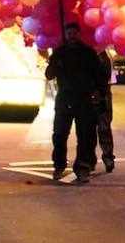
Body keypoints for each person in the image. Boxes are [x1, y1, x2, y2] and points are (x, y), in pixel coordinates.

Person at [45, 22, 106, 183]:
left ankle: (82, 168)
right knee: (59, 134)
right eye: (69, 33)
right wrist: (55, 62)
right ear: (66, 35)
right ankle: (59, 165)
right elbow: (49, 75)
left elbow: (99, 75)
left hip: (83, 99)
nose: (72, 36)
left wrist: (100, 94)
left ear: (79, 35)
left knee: (84, 136)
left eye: (74, 33)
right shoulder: (59, 53)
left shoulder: (88, 53)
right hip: (64, 99)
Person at [95, 48, 116, 172]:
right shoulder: (86, 52)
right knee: (88, 129)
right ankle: (89, 159)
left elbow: (107, 75)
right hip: (89, 92)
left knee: (104, 128)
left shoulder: (104, 54)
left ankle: (108, 158)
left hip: (103, 94)